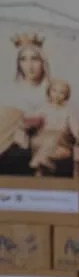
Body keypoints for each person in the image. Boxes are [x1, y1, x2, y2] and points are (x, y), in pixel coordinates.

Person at [0, 32, 54, 176]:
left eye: (34, 59)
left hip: (39, 145)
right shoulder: (8, 92)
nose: (29, 66)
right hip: (10, 146)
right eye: (23, 59)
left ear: (43, 62)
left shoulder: (53, 91)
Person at [28, 79, 79, 176]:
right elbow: (31, 120)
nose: (57, 95)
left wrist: (78, 134)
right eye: (54, 91)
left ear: (66, 96)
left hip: (60, 139)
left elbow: (75, 127)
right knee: (38, 140)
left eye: (61, 92)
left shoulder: (67, 111)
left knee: (54, 136)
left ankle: (39, 162)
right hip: (42, 137)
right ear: (49, 91)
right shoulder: (43, 108)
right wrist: (33, 122)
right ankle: (43, 162)